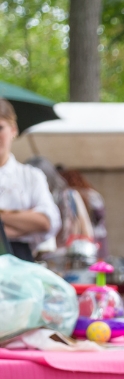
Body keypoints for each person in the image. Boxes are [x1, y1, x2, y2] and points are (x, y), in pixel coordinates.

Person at [0, 98, 60, 262]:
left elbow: (46, 222)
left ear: (13, 130)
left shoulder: (31, 176)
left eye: (0, 128)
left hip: (20, 262)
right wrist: (22, 226)